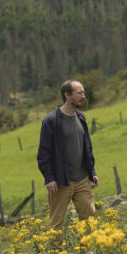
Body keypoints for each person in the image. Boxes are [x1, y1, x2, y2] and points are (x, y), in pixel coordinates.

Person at [37, 79, 99, 233]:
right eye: (79, 93)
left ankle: (89, 251)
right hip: (60, 181)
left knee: (90, 216)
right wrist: (49, 177)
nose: (83, 96)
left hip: (82, 179)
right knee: (56, 222)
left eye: (83, 92)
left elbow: (87, 148)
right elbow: (43, 153)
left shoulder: (81, 118)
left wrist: (92, 171)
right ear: (67, 95)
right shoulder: (51, 121)